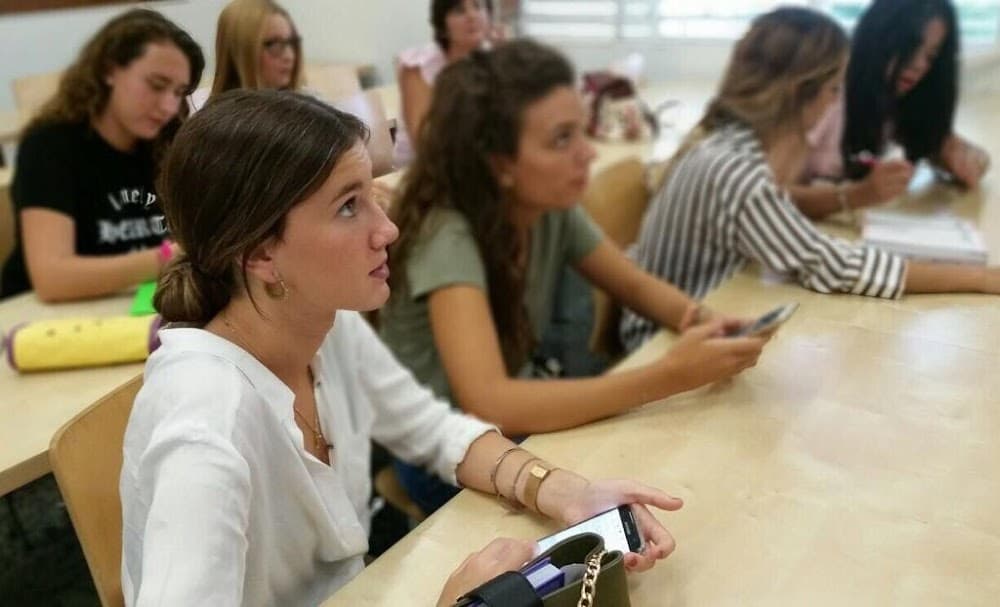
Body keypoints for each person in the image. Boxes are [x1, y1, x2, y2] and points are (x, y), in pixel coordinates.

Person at [120, 89, 685, 606]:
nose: (386, 228)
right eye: (348, 206)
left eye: (372, 194)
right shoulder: (205, 434)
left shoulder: (318, 322)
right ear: (261, 254)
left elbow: (434, 431)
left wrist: (566, 493)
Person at [380, 39, 768, 513]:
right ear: (499, 163)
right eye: (562, 139)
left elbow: (633, 284)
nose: (587, 153)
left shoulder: (548, 206)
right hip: (448, 456)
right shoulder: (449, 235)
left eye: (582, 130)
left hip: (509, 430)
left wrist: (699, 319)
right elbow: (490, 402)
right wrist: (669, 375)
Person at [622, 7, 1000, 352]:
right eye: (834, 89)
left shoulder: (726, 140)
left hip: (691, 320)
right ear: (801, 94)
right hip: (658, 343)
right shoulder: (738, 173)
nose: (836, 102)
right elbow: (836, 265)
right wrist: (979, 278)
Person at [0, 9, 203, 300]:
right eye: (156, 86)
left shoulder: (168, 141)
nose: (168, 107)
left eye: (178, 92)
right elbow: (52, 278)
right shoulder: (49, 145)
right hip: (46, 322)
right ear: (109, 70)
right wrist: (171, 256)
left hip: (136, 304)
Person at [789, 0, 990, 219]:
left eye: (931, 57)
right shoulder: (828, 92)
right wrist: (855, 195)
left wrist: (968, 158)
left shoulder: (900, 98)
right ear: (879, 37)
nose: (918, 65)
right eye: (910, 47)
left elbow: (940, 145)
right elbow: (767, 195)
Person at [393, 0, 498, 167]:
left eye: (478, 6)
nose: (472, 16)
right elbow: (424, 143)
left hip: (478, 165)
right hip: (421, 171)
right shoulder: (419, 65)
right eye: (459, 10)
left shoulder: (496, 59)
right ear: (442, 24)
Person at [188, 0, 302, 110]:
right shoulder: (204, 117)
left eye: (292, 43)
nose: (289, 56)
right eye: (274, 44)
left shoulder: (309, 112)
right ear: (241, 51)